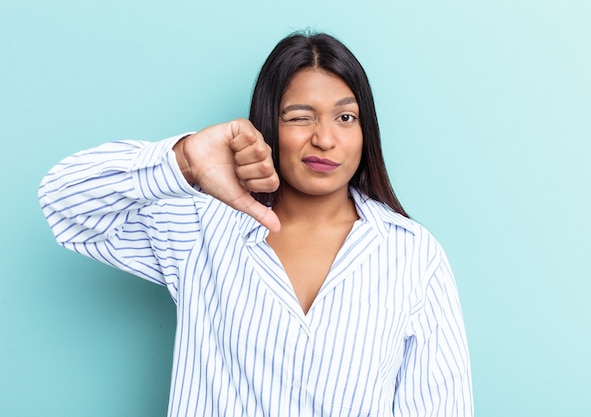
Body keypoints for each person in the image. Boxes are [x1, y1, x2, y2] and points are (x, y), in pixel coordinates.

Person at [39, 31, 473, 416]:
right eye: (300, 117)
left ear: (365, 130)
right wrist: (185, 159)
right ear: (268, 124)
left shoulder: (412, 253)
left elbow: (442, 406)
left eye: (345, 117)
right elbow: (63, 203)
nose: (324, 138)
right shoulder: (200, 225)